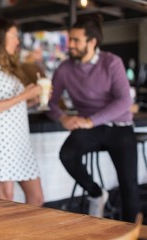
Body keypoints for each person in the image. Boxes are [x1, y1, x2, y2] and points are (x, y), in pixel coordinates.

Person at [47, 14, 139, 222]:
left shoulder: (111, 62)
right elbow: (51, 103)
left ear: (92, 42)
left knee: (129, 185)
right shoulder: (64, 69)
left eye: (76, 40)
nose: (70, 45)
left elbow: (124, 101)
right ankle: (96, 193)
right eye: (70, 39)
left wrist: (90, 120)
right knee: (67, 155)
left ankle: (134, 233)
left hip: (119, 125)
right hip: (90, 128)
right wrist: (62, 118)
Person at [0, 18, 44, 206]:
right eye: (13, 36)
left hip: (20, 142)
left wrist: (33, 100)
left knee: (37, 198)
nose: (17, 41)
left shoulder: (11, 70)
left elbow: (12, 107)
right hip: (0, 143)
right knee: (6, 201)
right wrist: (24, 95)